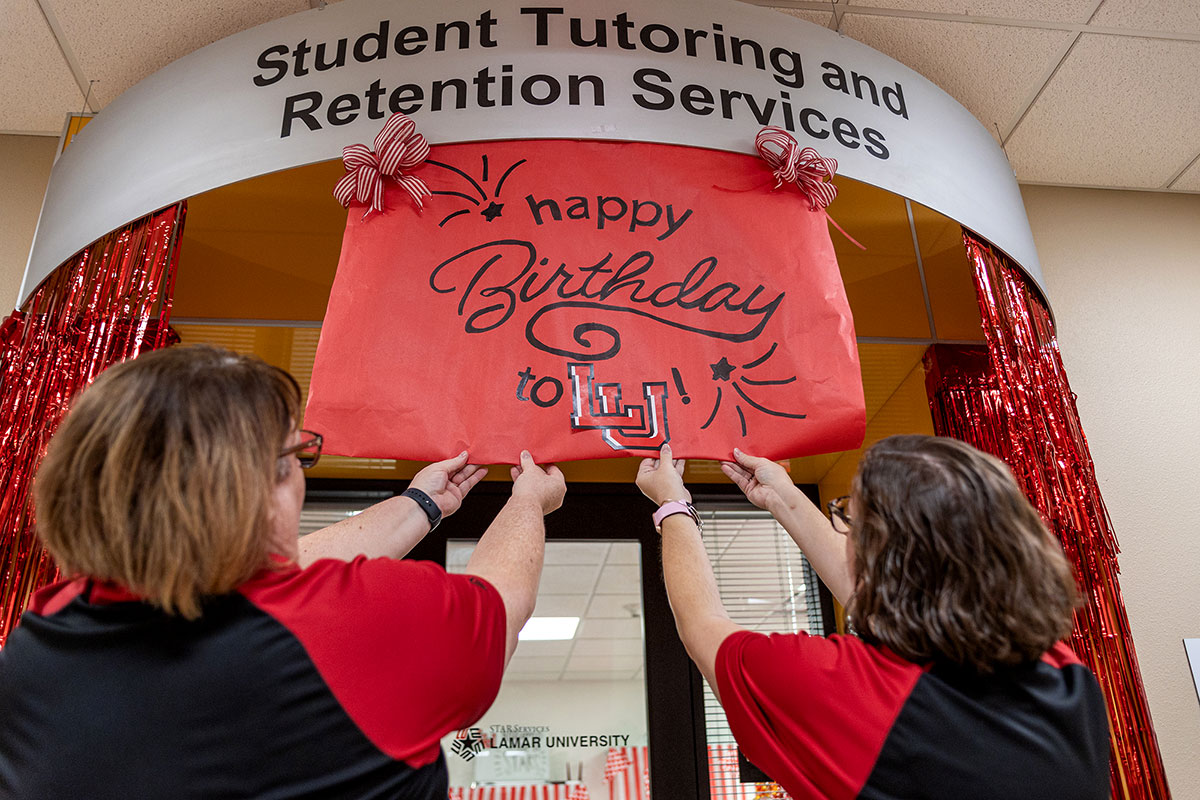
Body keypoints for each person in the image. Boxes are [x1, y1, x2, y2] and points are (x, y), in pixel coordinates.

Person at [0, 344, 566, 799]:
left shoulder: (43, 637)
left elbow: (269, 586)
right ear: (257, 489)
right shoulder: (364, 625)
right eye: (298, 458)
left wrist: (420, 506)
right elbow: (502, 599)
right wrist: (527, 502)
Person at [636, 435, 1110, 800]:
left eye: (849, 519)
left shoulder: (841, 689)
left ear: (886, 557)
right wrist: (784, 499)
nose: (844, 532)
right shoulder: (1065, 677)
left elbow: (702, 623)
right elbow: (884, 603)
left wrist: (672, 505)